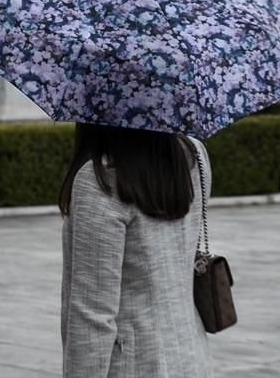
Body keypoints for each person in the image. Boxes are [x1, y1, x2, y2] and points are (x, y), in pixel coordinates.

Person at [59, 123, 214, 377]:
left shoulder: (100, 181)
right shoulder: (193, 154)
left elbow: (93, 314)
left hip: (132, 365)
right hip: (191, 356)